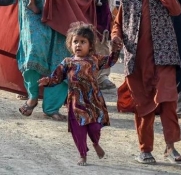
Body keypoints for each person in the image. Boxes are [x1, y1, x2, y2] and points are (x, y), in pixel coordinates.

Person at [112, 0, 181, 165]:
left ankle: (171, 146)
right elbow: (118, 23)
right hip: (137, 62)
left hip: (164, 59)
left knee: (168, 101)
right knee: (143, 106)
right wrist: (116, 37)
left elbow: (176, 10)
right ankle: (145, 150)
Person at [39, 22, 122, 166]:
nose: (78, 45)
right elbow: (57, 77)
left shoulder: (95, 60)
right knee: (78, 131)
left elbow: (110, 61)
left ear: (90, 45)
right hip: (75, 103)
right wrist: (48, 81)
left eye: (82, 42)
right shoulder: (67, 62)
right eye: (75, 42)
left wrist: (115, 51)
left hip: (93, 102)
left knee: (95, 128)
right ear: (70, 44)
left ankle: (95, 143)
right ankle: (82, 154)